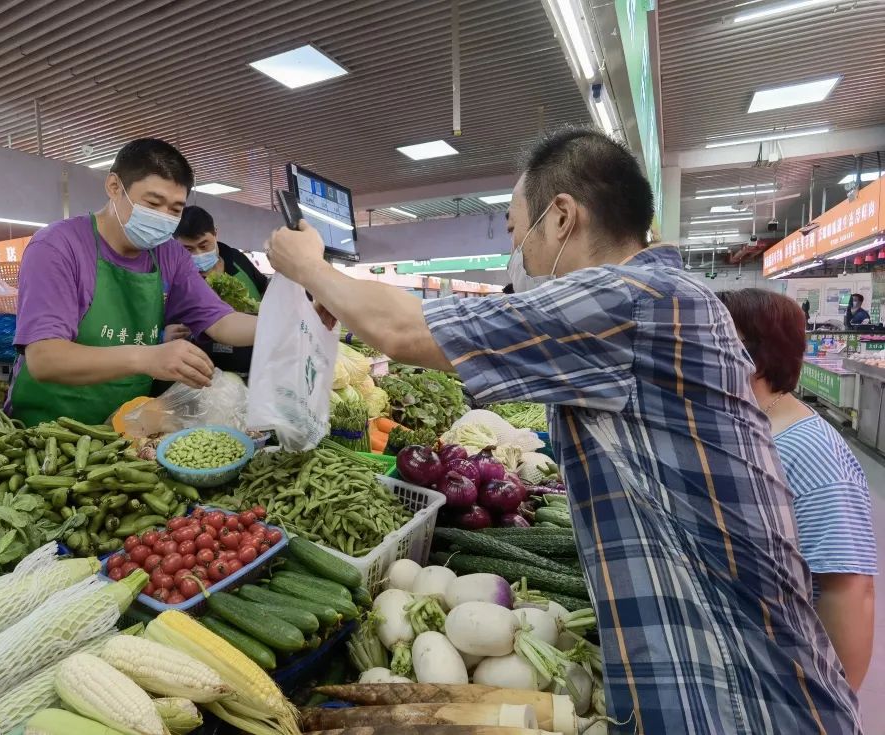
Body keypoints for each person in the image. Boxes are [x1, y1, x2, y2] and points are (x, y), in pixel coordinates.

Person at [265, 127, 861, 733]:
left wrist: (310, 266)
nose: (516, 254)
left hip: (737, 695)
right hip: (725, 673)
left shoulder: (631, 299)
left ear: (561, 218)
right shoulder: (662, 298)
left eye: (515, 230)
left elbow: (406, 332)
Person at [8, 138, 257, 426]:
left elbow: (221, 321)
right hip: (48, 428)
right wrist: (147, 358)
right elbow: (45, 358)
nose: (163, 217)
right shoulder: (57, 247)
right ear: (114, 187)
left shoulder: (169, 254)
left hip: (125, 427)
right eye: (153, 203)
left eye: (175, 210)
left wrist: (290, 324)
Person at [718, 288, 877, 689]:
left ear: (751, 356)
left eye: (711, 341)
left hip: (790, 676)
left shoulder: (810, 452)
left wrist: (833, 705)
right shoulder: (745, 424)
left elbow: (849, 592)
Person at [173, 205, 268, 375]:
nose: (198, 254)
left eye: (204, 245)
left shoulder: (238, 260)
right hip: (201, 373)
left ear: (216, 233)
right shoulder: (176, 276)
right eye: (188, 249)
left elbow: (265, 291)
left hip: (254, 366)